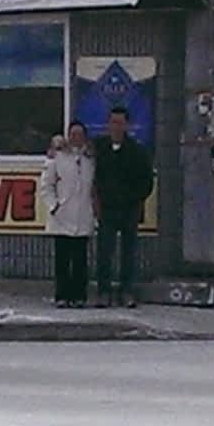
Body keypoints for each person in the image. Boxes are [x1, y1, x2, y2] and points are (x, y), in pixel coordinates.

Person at [92, 105, 154, 307]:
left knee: (128, 252)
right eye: (113, 122)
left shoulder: (137, 151)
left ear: (127, 125)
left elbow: (147, 181)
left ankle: (126, 291)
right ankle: (104, 291)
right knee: (104, 252)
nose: (116, 127)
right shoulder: (99, 148)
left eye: (120, 123)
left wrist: (135, 200)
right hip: (107, 209)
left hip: (129, 209)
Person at [38, 122, 94, 308]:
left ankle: (79, 296)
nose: (76, 138)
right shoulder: (58, 157)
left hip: (83, 215)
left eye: (80, 134)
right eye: (73, 134)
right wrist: (53, 205)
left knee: (80, 260)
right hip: (62, 216)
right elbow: (46, 185)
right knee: (62, 259)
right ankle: (62, 295)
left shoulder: (89, 159)